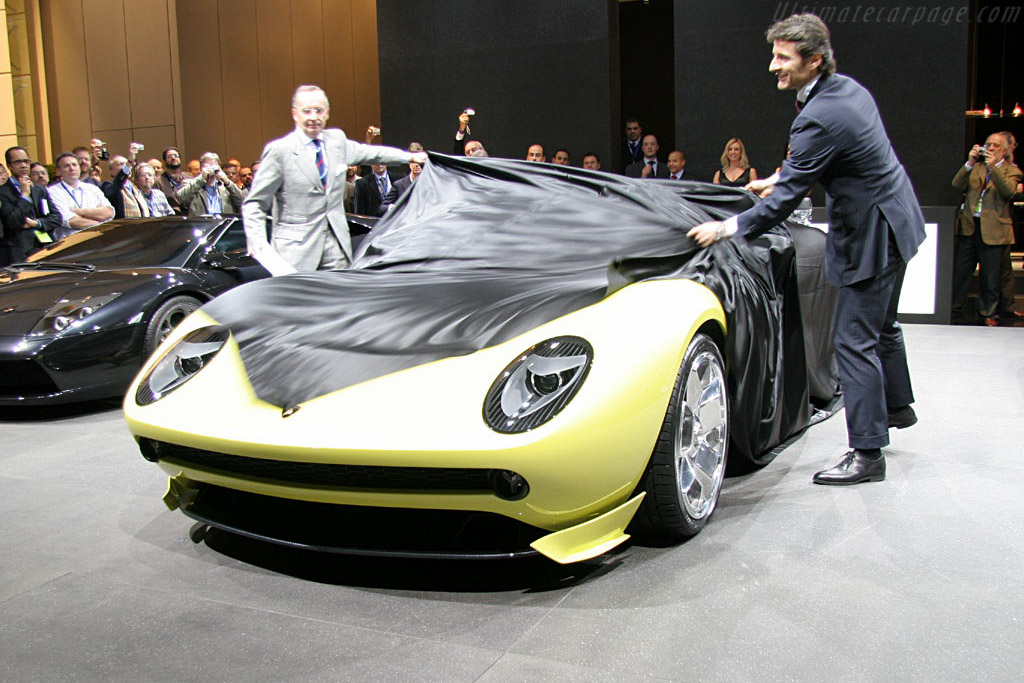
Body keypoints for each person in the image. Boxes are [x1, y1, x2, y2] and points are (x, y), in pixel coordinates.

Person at [688, 13, 926, 486]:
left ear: (814, 60)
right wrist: (782, 176)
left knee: (853, 341)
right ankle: (896, 408)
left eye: (783, 58)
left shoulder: (818, 115)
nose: (773, 66)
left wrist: (727, 228)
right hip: (899, 219)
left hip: (870, 236)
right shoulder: (848, 90)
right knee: (882, 328)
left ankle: (867, 453)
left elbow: (783, 206)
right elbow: (840, 153)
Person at [243, 84, 424, 272]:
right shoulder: (280, 151)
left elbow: (371, 153)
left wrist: (409, 157)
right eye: (307, 111)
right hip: (295, 254)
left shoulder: (336, 141)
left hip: (336, 248)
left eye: (319, 111)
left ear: (327, 113)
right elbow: (254, 204)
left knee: (341, 300)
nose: (313, 117)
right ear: (295, 114)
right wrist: (258, 245)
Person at [951, 133, 1022, 326]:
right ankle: (955, 308)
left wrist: (994, 168)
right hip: (970, 226)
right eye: (988, 144)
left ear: (1005, 150)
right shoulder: (976, 168)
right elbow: (957, 184)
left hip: (994, 230)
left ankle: (987, 312)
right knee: (962, 272)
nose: (990, 148)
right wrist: (969, 163)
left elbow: (1007, 191)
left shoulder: (1011, 171)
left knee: (990, 275)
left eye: (996, 146)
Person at [0, 149, 62, 266]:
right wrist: (24, 195)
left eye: (26, 161)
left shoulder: (39, 189)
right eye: (18, 162)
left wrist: (37, 223)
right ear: (9, 166)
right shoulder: (3, 192)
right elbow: (13, 222)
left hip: (44, 247)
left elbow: (56, 218)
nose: (23, 165)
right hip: (18, 252)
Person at [48, 152, 114, 235]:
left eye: (74, 165)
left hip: (97, 241)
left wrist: (79, 212)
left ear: (79, 168)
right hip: (72, 243)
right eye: (66, 166)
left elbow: (109, 213)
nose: (72, 168)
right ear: (58, 171)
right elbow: (70, 221)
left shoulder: (92, 188)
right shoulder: (53, 192)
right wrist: (100, 221)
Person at [177, 152, 246, 217]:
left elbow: (243, 202)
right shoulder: (191, 183)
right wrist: (202, 178)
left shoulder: (226, 187)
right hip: (201, 226)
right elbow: (180, 198)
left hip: (223, 226)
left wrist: (227, 181)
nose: (211, 170)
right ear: (201, 169)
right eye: (207, 167)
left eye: (214, 166)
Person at [379, 143, 424, 213]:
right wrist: (392, 208)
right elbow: (382, 207)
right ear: (409, 162)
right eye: (413, 162)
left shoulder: (430, 183)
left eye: (419, 162)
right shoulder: (399, 185)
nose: (416, 165)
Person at [154, 147, 193, 215]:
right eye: (169, 156)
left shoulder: (189, 177)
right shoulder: (158, 181)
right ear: (165, 160)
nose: (173, 158)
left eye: (176, 156)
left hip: (191, 214)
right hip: (171, 217)